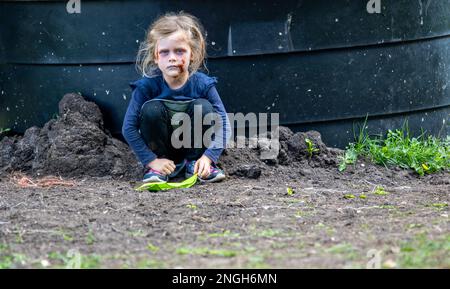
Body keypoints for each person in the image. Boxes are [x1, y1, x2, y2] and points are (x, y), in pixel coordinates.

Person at [122, 11, 231, 184]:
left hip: (196, 151)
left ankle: (194, 163)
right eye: (164, 52)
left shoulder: (203, 84)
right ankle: (157, 170)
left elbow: (224, 123)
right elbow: (128, 128)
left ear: (192, 54)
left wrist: (208, 157)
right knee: (151, 110)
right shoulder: (146, 86)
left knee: (203, 106)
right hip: (160, 154)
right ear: (156, 57)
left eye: (179, 51)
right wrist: (151, 160)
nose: (172, 58)